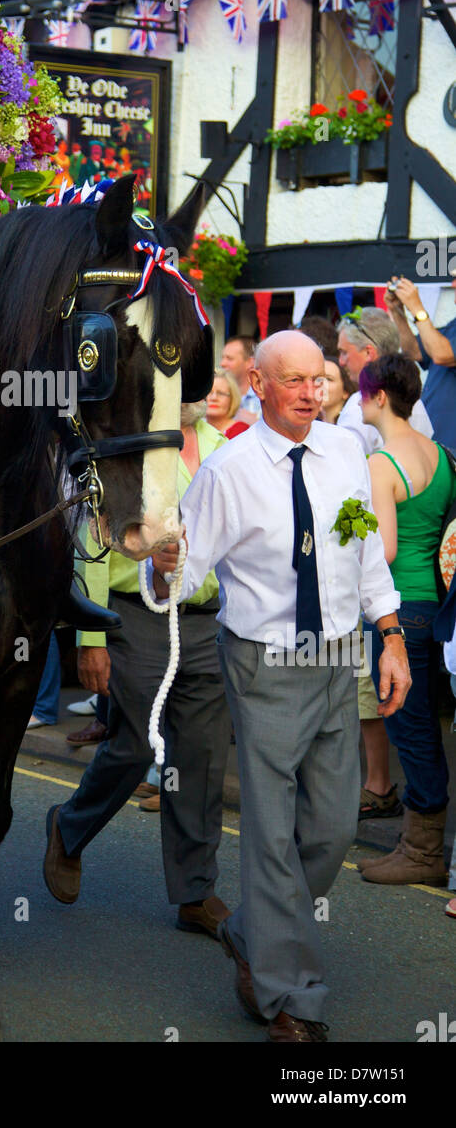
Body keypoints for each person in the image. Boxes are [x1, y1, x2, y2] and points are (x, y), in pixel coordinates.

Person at [150, 331, 409, 1043]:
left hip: (339, 655)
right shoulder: (229, 471)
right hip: (263, 664)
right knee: (269, 835)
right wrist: (162, 561)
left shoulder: (345, 453)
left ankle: (252, 933)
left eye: (317, 380)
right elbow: (180, 571)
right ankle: (291, 998)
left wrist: (389, 635)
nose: (308, 392)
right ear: (258, 386)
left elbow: (362, 554)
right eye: (290, 380)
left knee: (333, 830)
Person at [43, 401, 232, 941]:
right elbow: (92, 540)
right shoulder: (130, 444)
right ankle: (68, 825)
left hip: (206, 621)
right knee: (134, 748)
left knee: (200, 758)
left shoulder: (225, 447)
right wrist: (93, 635)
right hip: (134, 617)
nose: (198, 387)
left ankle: (195, 893)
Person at [356, 354, 456, 885]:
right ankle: (422, 845)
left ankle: (422, 853)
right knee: (427, 727)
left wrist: (346, 530)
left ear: (375, 397)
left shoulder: (380, 463)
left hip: (398, 610)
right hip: (436, 611)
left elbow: (386, 547)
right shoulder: (441, 455)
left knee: (410, 728)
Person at [336, 307, 433, 453]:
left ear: (369, 352)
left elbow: (345, 465)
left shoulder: (362, 403)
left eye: (344, 352)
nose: (341, 362)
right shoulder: (414, 399)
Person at [384, 266, 456, 450]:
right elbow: (414, 352)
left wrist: (417, 308)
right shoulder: (453, 327)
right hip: (438, 449)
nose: (453, 284)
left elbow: (441, 354)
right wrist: (398, 311)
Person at [220, 336, 261, 421]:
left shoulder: (264, 398)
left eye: (229, 359)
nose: (222, 363)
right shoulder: (215, 395)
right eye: (222, 358)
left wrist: (256, 421)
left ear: (250, 362)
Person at [206, 368, 250, 438]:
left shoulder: (242, 432)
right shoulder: (194, 430)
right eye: (209, 392)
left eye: (221, 393)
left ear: (232, 398)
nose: (214, 398)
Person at [319, 355, 356, 424]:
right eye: (317, 377)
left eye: (329, 379)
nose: (320, 383)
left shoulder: (352, 424)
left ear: (345, 392)